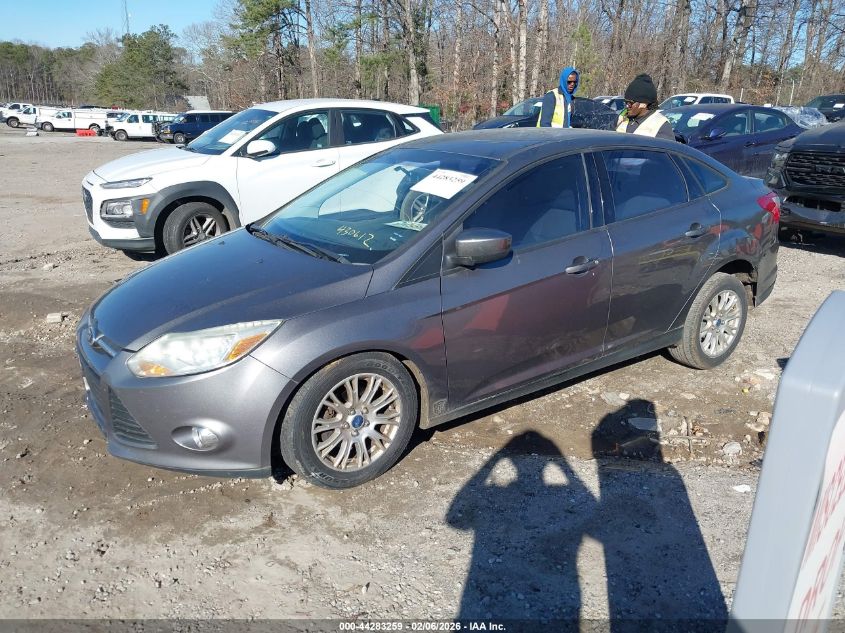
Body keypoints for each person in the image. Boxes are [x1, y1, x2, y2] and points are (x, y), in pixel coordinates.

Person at [616, 73, 675, 140]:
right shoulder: (622, 118)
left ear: (644, 104)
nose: (627, 106)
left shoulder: (661, 125)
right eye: (626, 102)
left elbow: (668, 146)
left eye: (630, 103)